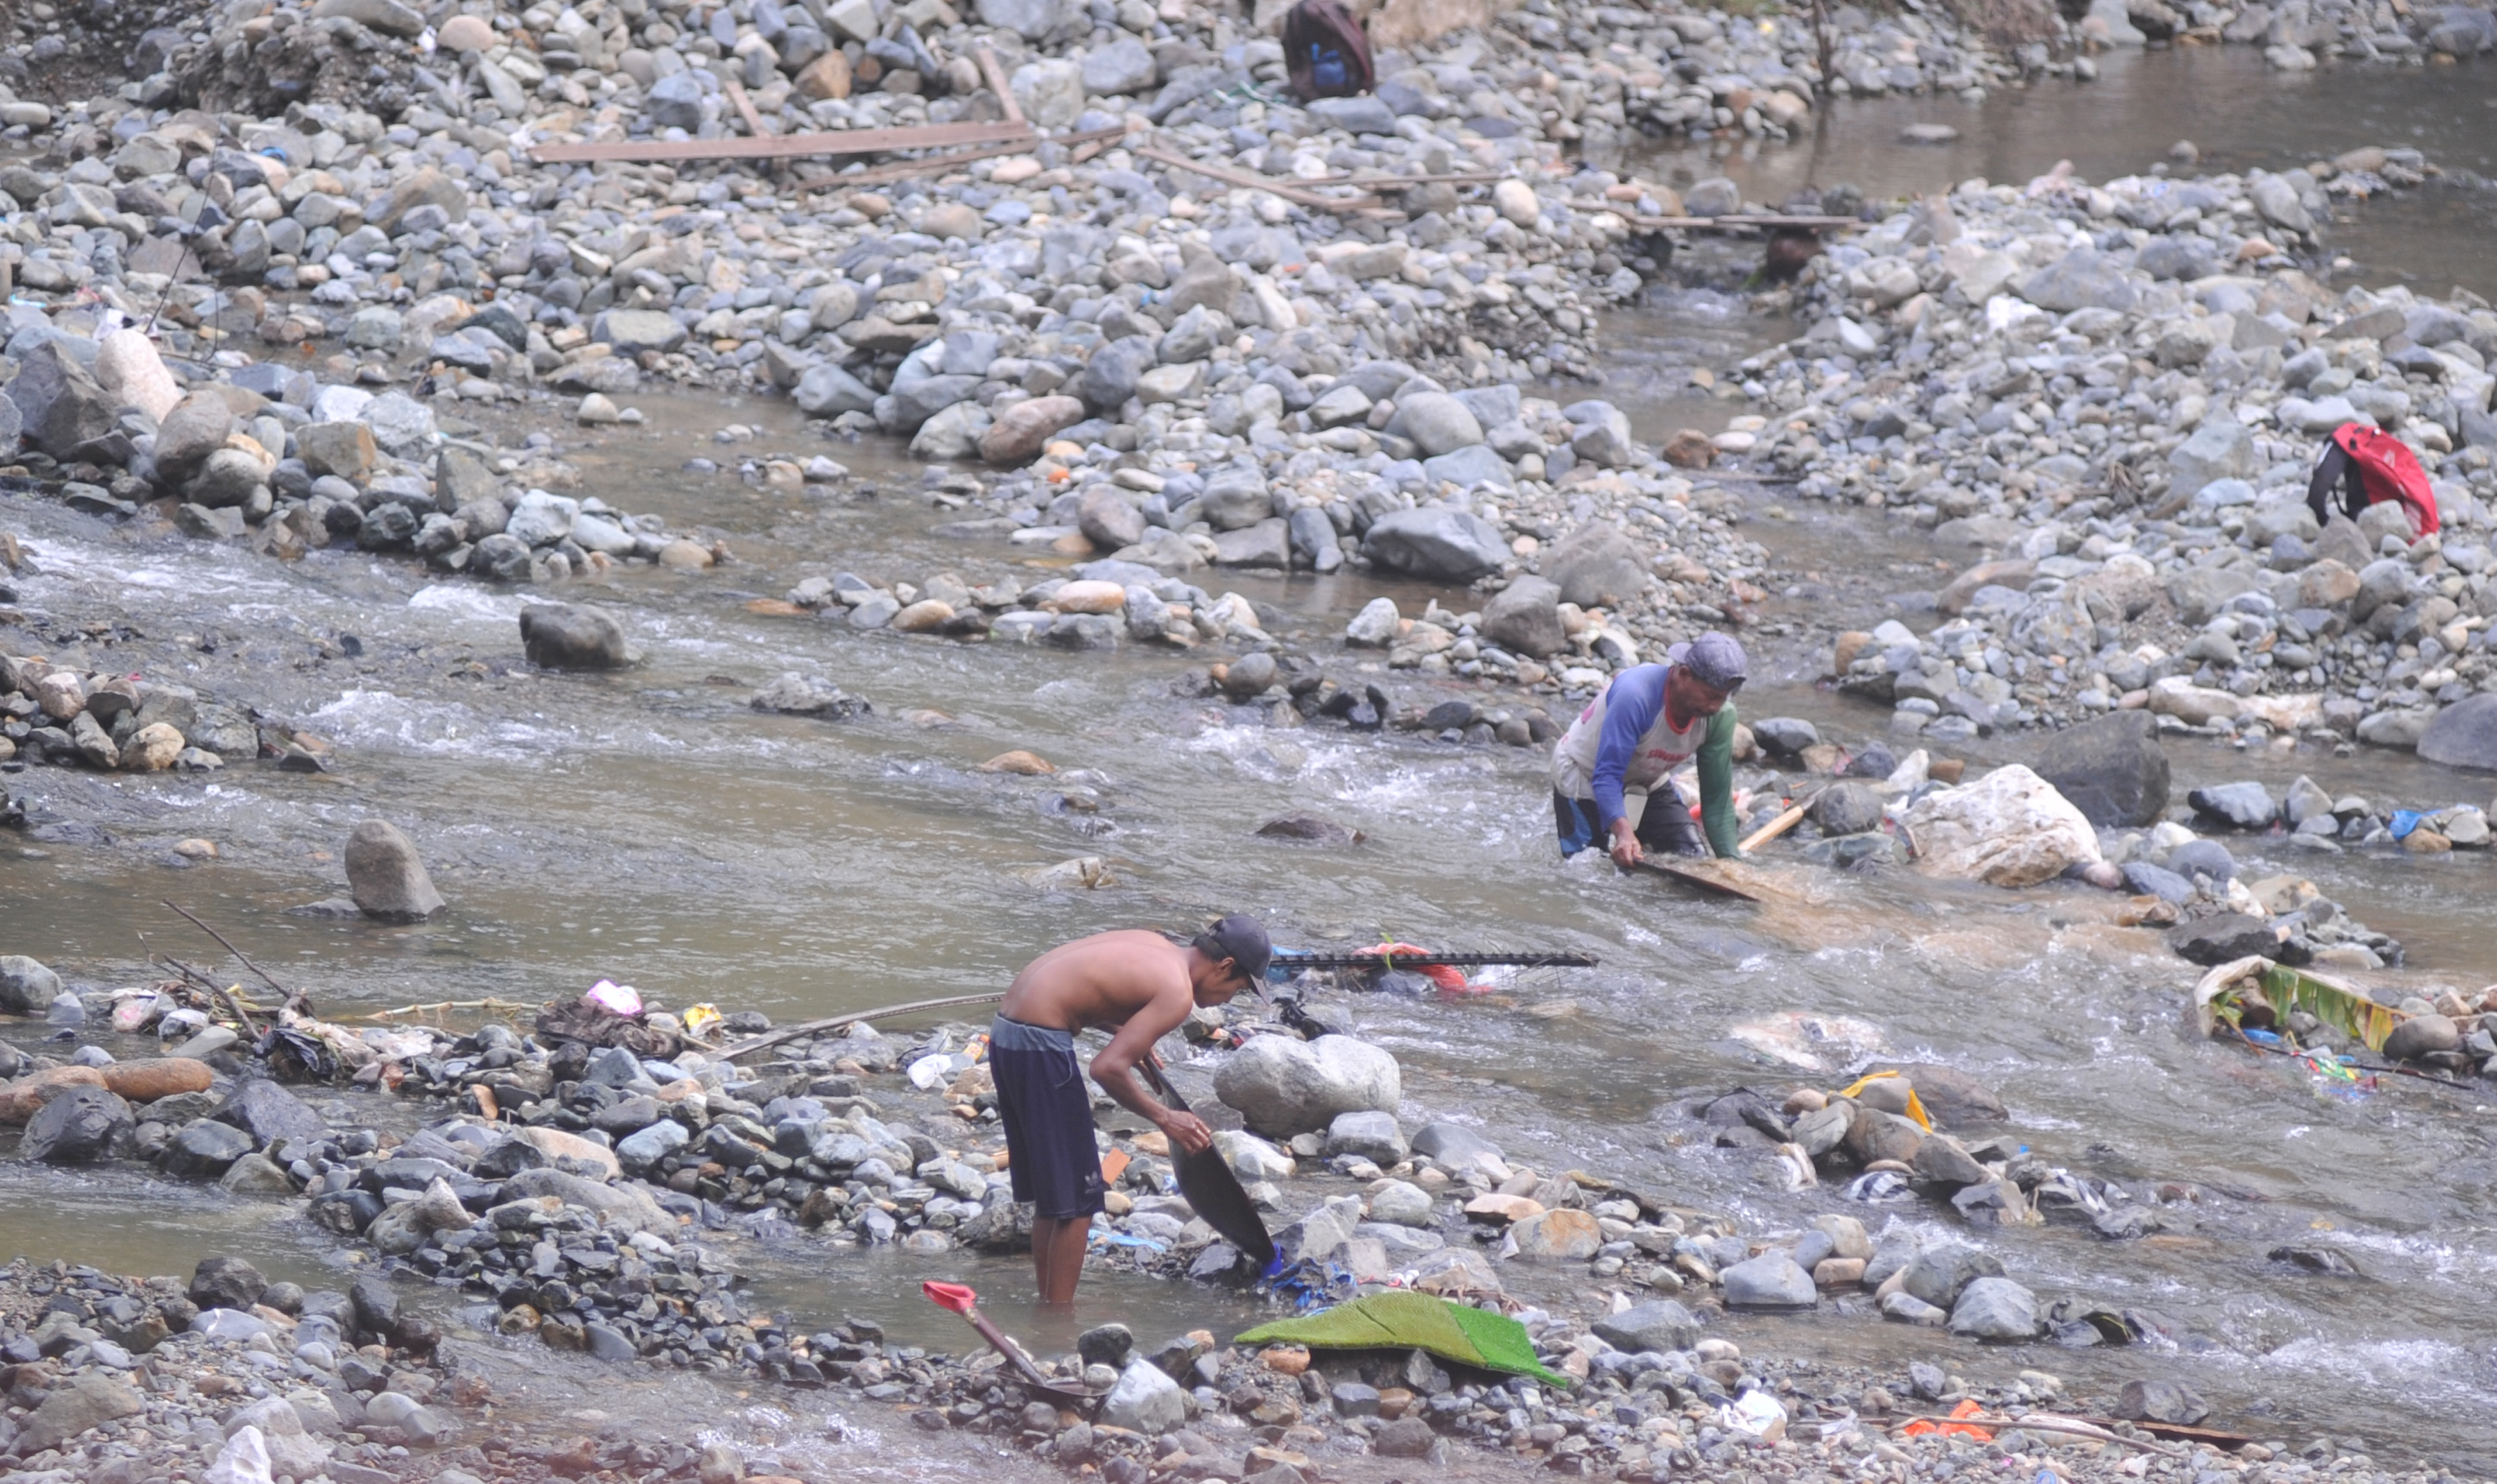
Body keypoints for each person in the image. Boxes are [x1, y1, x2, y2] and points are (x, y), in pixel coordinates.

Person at [992, 915, 1271, 1304]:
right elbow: (1106, 1069)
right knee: (1080, 1202)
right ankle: (1057, 1323)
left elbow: (1089, 993)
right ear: (1224, 966)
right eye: (1238, 989)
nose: (1228, 1000)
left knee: (1053, 1196)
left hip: (1007, 1035)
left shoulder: (1153, 944)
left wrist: (1128, 1033)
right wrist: (1164, 1116)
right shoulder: (1177, 993)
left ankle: (1047, 1305)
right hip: (1040, 1046)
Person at [1550, 630, 1746, 866]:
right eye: (1710, 696)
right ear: (1683, 674)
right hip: (1584, 774)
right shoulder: (1635, 696)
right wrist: (1624, 833)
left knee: (1691, 861)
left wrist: (1733, 867)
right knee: (1590, 868)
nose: (1714, 706)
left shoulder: (1720, 717)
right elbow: (1607, 775)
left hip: (1646, 779)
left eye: (1722, 698)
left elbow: (1716, 798)